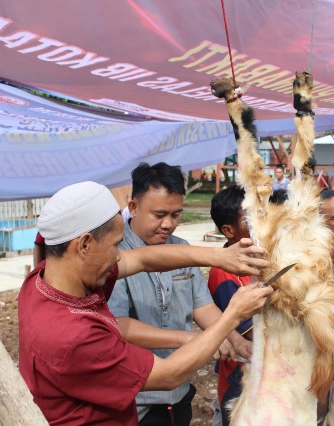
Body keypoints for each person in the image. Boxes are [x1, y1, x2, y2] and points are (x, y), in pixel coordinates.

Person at [18, 181, 272, 425]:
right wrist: (233, 315)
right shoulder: (73, 336)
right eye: (116, 245)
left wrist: (220, 256)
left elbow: (142, 259)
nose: (119, 255)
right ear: (84, 244)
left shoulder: (43, 279)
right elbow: (168, 374)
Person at [108, 162, 254, 425]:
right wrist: (190, 340)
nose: (168, 224)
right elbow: (118, 326)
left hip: (179, 394)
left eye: (176, 215)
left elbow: (203, 306)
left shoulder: (181, 248)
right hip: (136, 400)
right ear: (134, 207)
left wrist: (235, 340)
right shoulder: (114, 256)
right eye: (159, 214)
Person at [207, 185, 255, 425]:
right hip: (239, 372)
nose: (259, 223)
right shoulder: (223, 272)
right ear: (229, 230)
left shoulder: (256, 260)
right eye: (250, 219)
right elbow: (248, 329)